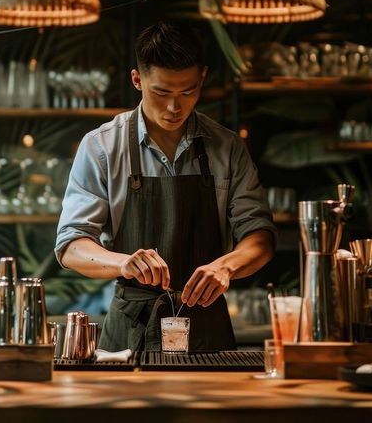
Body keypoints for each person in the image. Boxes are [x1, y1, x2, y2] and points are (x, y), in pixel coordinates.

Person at [55, 21, 277, 351]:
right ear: (137, 79)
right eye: (161, 93)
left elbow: (260, 236)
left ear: (202, 78)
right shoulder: (102, 147)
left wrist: (225, 267)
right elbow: (71, 244)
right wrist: (123, 262)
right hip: (128, 333)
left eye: (187, 92)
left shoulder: (227, 147)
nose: (175, 107)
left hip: (206, 329)